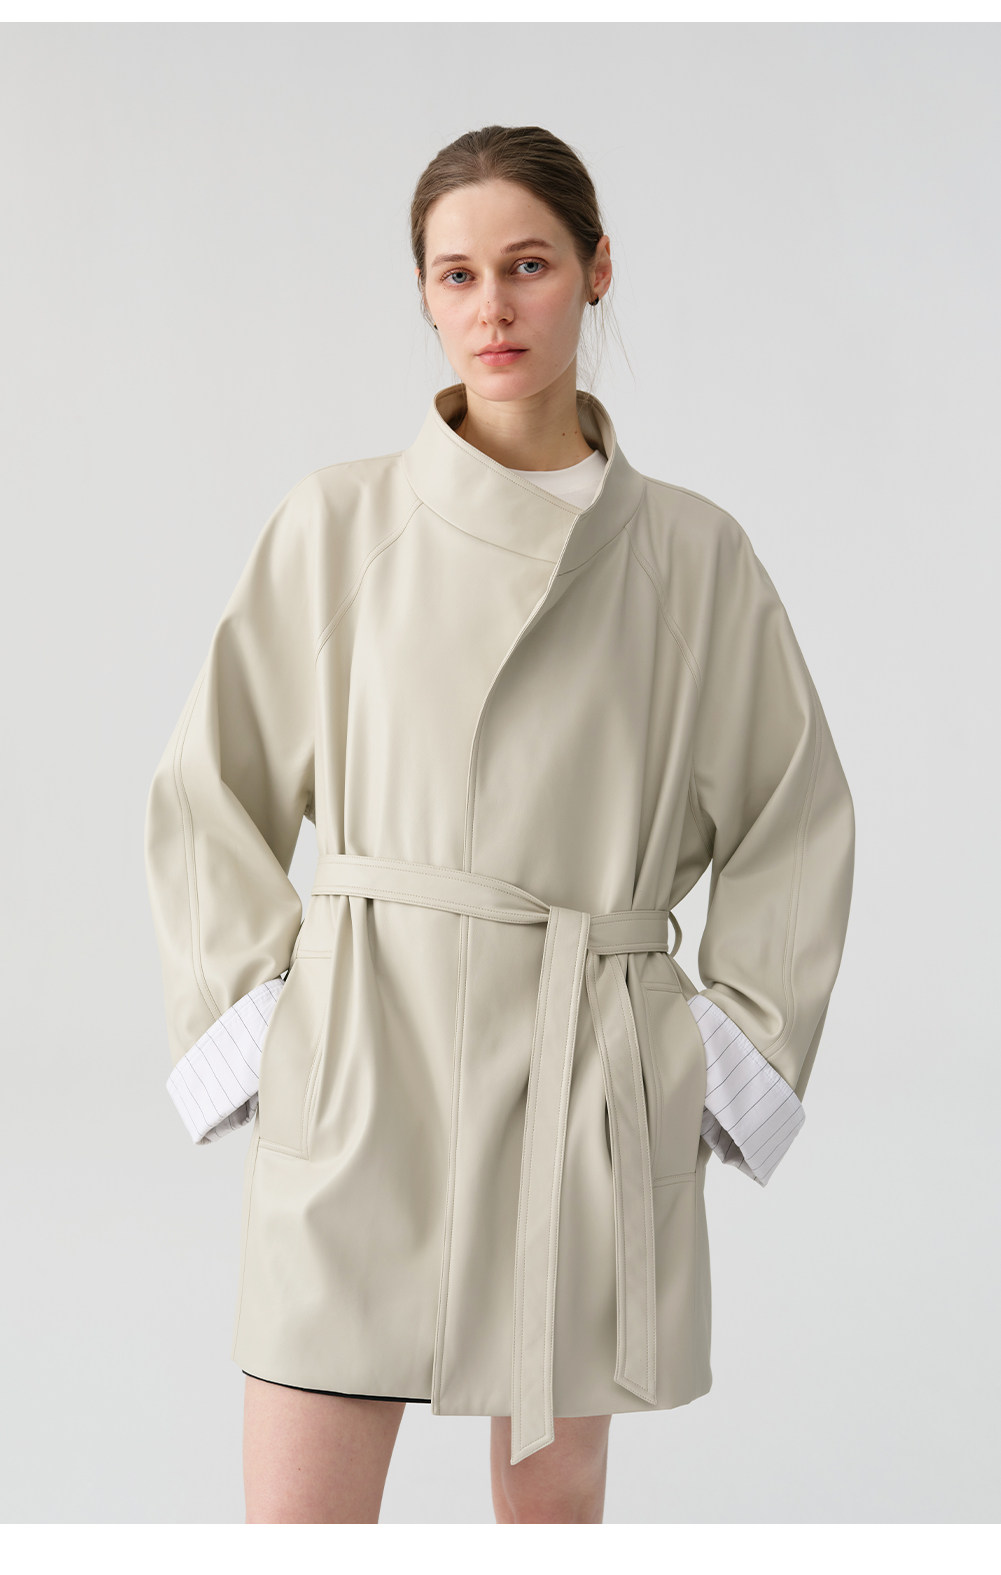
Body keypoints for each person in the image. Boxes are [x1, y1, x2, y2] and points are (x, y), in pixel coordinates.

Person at [145, 125, 855, 1524]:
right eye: (456, 274)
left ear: (596, 270)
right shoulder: (336, 527)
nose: (493, 308)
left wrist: (711, 1057)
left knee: (549, 1514)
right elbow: (205, 788)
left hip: (582, 1069)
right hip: (370, 1050)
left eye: (527, 266)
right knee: (300, 1517)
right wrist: (272, 1023)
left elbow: (795, 812)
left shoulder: (692, 555)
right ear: (424, 293)